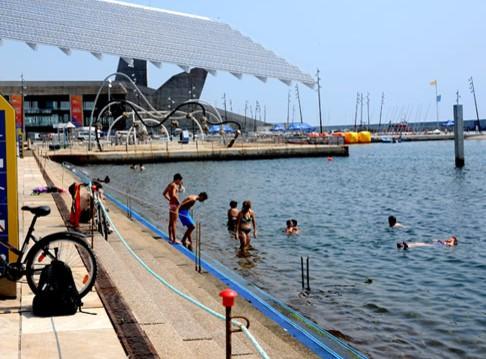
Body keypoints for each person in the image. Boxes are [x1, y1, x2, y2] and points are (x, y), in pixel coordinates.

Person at [163, 173, 183, 244]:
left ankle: (170, 237)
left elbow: (164, 193)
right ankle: (174, 239)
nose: (180, 182)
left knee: (171, 222)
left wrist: (169, 200)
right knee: (174, 222)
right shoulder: (174, 185)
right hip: (175, 205)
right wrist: (178, 202)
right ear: (177, 179)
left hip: (171, 204)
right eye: (180, 181)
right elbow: (174, 194)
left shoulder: (170, 184)